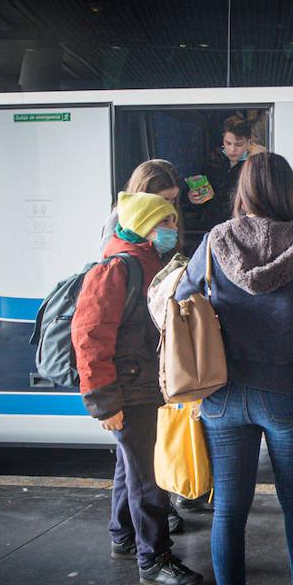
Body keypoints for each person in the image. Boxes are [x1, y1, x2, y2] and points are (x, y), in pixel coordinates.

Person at [174, 152, 293, 585]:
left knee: (228, 509)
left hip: (223, 395)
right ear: (290, 193)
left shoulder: (212, 243)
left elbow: (183, 303)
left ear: (242, 192)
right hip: (289, 393)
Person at [73, 191, 204, 585]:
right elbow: (89, 337)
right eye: (163, 223)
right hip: (130, 389)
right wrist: (105, 401)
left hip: (144, 384)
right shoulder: (116, 269)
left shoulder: (150, 263)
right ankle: (154, 559)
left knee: (128, 469)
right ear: (142, 227)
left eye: (172, 223)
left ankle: (123, 536)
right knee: (149, 478)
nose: (172, 230)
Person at [99, 159, 191, 531]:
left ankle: (122, 531)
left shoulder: (155, 242)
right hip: (134, 367)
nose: (172, 220)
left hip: (147, 364)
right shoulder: (120, 252)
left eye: (174, 205)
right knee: (142, 462)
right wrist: (104, 401)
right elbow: (98, 330)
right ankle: (151, 550)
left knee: (130, 459)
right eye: (163, 206)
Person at [182, 115, 252, 233]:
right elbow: (199, 201)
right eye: (228, 143)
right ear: (222, 138)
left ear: (249, 143)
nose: (232, 149)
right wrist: (192, 198)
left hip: (241, 227)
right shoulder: (212, 160)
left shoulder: (253, 165)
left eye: (238, 144)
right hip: (212, 227)